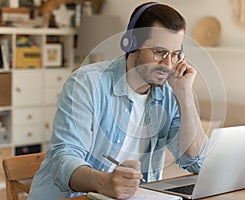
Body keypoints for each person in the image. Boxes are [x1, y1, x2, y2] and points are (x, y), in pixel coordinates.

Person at [29, 2, 208, 199]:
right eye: (159, 52)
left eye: (175, 54)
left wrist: (185, 94)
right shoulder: (86, 83)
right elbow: (63, 159)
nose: (168, 64)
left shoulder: (170, 91)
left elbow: (196, 162)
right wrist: (104, 182)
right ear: (131, 44)